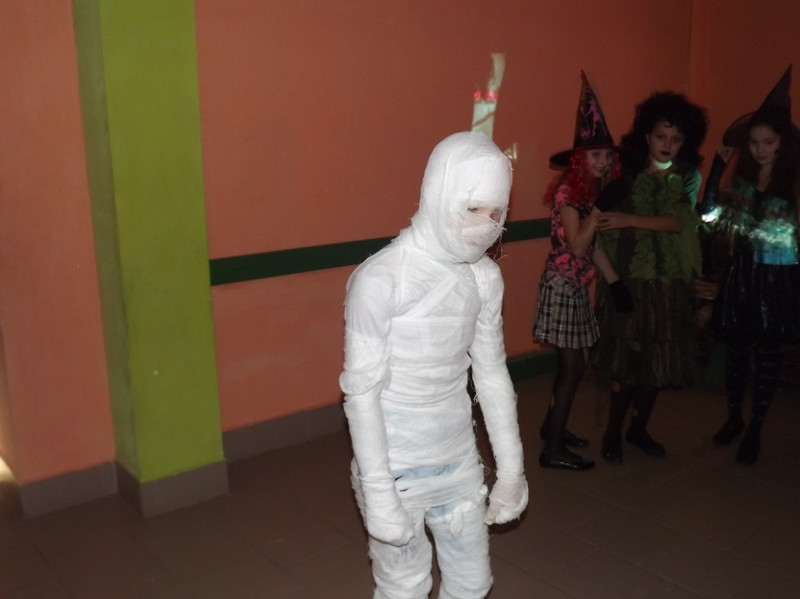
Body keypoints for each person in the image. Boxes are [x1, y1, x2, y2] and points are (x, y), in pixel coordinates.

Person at [339, 131, 528, 598]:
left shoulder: (483, 278)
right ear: (439, 193)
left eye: (497, 213)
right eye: (473, 208)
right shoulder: (381, 279)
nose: (486, 226)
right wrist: (379, 492)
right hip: (396, 467)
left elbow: (491, 375)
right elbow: (361, 394)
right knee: (403, 587)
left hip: (458, 460)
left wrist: (511, 471)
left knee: (472, 585)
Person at [592, 91, 708, 464]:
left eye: (676, 138)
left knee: (656, 364)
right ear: (646, 136)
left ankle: (638, 429)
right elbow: (600, 226)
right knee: (626, 364)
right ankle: (612, 432)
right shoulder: (625, 175)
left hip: (668, 283)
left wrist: (629, 219)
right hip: (629, 280)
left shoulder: (685, 178)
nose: (667, 144)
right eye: (661, 136)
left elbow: (679, 223)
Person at [700, 66, 800, 464]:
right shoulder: (740, 181)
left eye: (768, 142)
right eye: (755, 142)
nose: (760, 149)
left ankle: (756, 426)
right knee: (738, 352)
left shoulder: (793, 185)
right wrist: (716, 168)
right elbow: (709, 216)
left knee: (768, 356)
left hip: (777, 277)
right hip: (741, 274)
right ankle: (733, 418)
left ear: (782, 144)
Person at [533, 72, 633, 471]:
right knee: (572, 369)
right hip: (561, 286)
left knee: (574, 367)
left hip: (573, 287)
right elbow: (577, 245)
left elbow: (593, 249)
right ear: (579, 160)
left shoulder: (587, 193)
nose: (603, 161)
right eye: (595, 155)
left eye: (607, 155)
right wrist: (598, 210)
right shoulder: (570, 194)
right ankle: (553, 450)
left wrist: (616, 283)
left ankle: (551, 428)